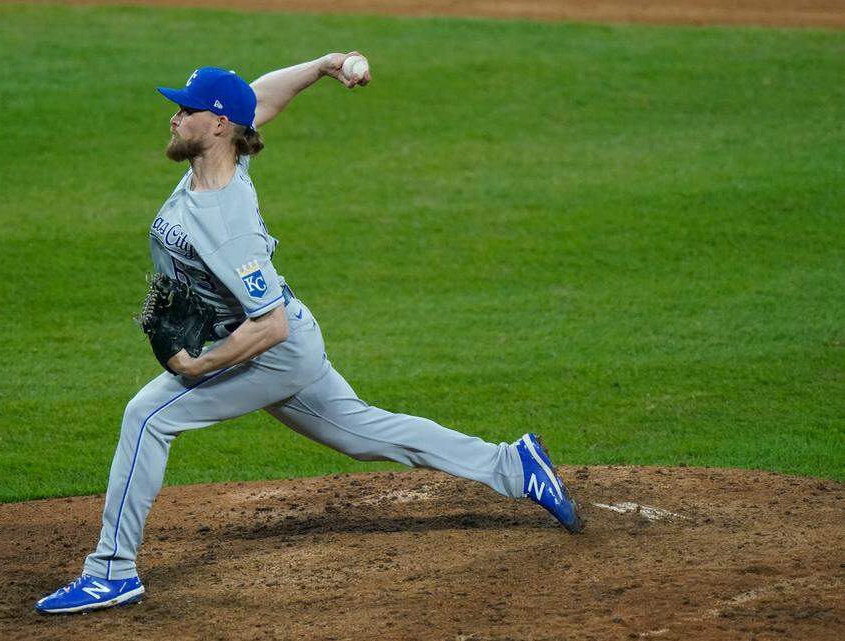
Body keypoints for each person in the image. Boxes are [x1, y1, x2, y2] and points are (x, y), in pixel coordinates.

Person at [35, 53, 583, 614]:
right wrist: (323, 66)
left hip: (272, 351)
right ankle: (513, 465)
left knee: (147, 417)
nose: (174, 117)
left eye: (186, 109)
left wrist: (200, 367)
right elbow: (261, 97)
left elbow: (267, 324)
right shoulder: (221, 159)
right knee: (362, 433)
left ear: (218, 125)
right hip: (290, 341)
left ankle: (111, 571)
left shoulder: (227, 221)